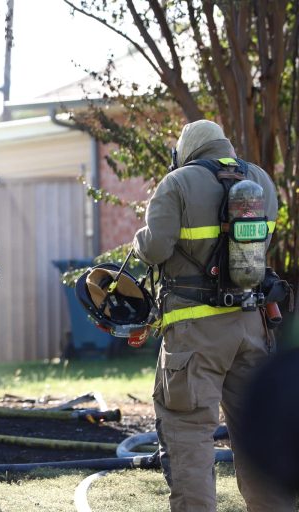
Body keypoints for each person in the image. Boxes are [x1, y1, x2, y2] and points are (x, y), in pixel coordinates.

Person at [132, 119, 296, 511]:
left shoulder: (177, 182)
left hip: (195, 332)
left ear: (187, 150)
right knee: (260, 432)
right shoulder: (261, 182)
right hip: (252, 325)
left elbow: (155, 249)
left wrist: (138, 242)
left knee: (188, 432)